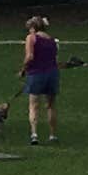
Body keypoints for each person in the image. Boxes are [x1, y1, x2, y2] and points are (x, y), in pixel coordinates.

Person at [20, 16, 62, 145]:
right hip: (52, 73)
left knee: (34, 105)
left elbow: (30, 56)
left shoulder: (31, 38)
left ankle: (34, 134)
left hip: (36, 74)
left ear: (33, 28)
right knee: (50, 105)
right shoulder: (52, 40)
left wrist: (23, 69)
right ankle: (53, 134)